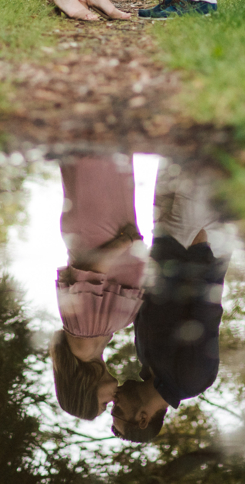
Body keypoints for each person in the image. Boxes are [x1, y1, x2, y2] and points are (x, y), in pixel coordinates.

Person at [111, 160, 228, 441]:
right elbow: (206, 309)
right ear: (142, 419)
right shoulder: (192, 380)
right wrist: (201, 242)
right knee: (205, 150)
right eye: (117, 411)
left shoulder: (144, 359)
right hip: (194, 239)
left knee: (176, 147)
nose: (114, 402)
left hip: (164, 234)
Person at [50, 155, 148, 419]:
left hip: (102, 231)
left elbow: (88, 276)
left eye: (103, 405)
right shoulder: (95, 344)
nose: (110, 404)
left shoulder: (83, 344)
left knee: (96, 155)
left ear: (85, 392)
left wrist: (125, 242)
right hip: (108, 229)